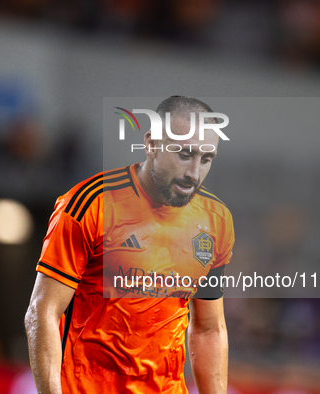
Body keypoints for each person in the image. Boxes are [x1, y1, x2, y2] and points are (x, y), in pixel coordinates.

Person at [25, 96, 235, 394]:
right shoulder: (89, 204)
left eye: (207, 158)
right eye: (185, 155)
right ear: (151, 145)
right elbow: (43, 311)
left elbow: (208, 328)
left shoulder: (216, 221)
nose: (194, 173)